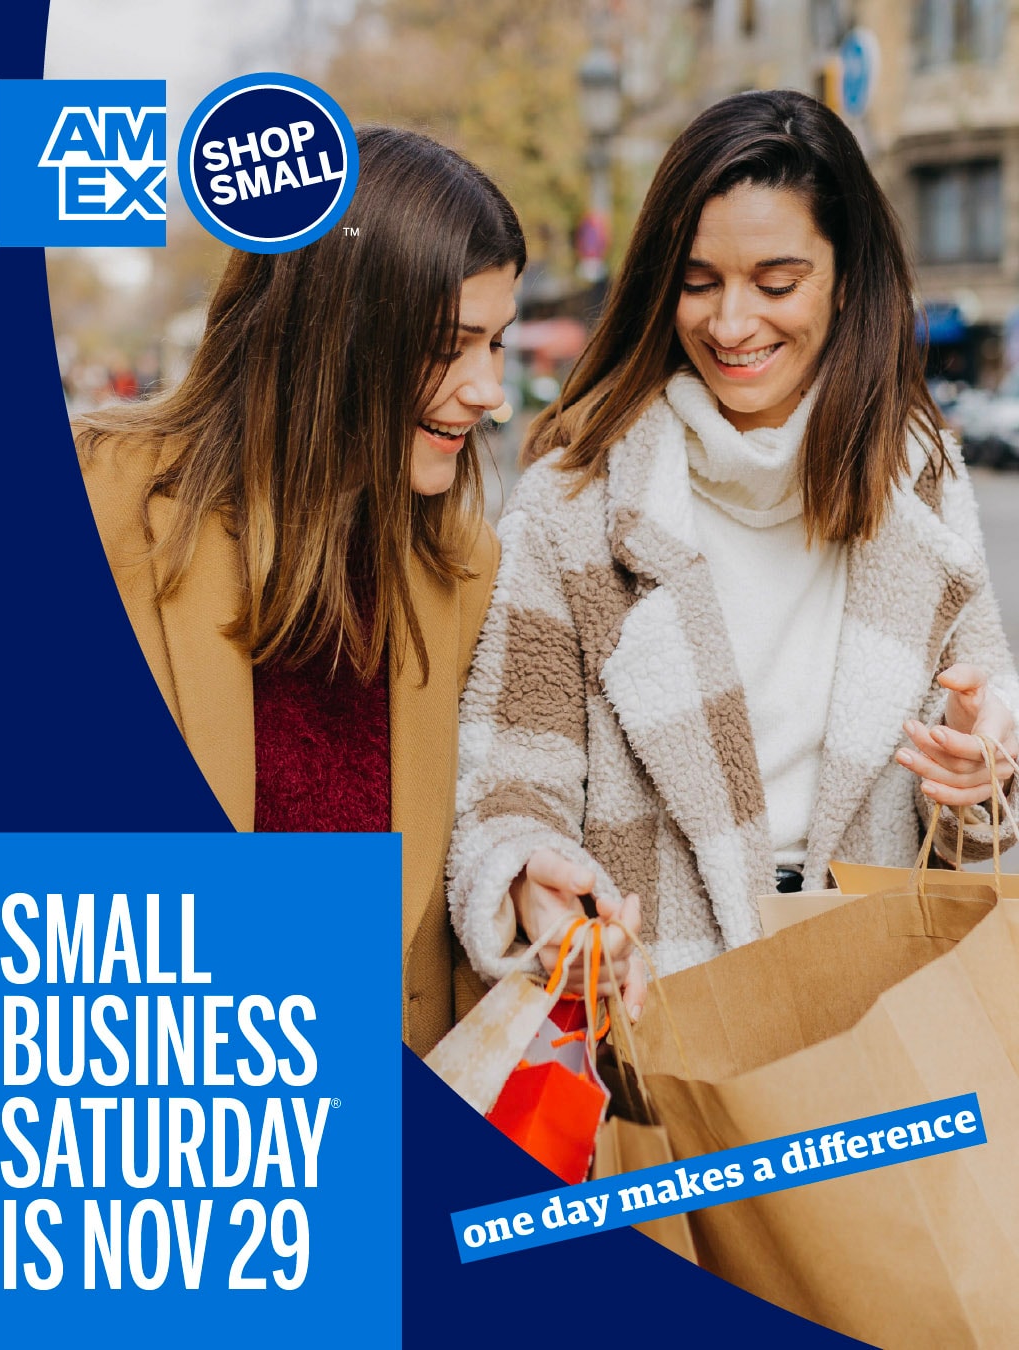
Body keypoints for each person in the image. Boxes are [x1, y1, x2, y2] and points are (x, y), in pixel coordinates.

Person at [447, 90, 1018, 1011]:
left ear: (847, 278)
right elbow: (511, 779)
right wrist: (525, 878)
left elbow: (978, 787)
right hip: (660, 1021)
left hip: (883, 1025)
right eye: (699, 281)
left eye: (777, 283)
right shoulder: (573, 504)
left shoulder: (922, 475)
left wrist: (982, 774)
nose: (730, 324)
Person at [77, 126, 525, 1056]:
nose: (492, 390)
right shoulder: (100, 499)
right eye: (453, 345)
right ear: (334, 334)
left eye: (498, 342)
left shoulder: (465, 565)